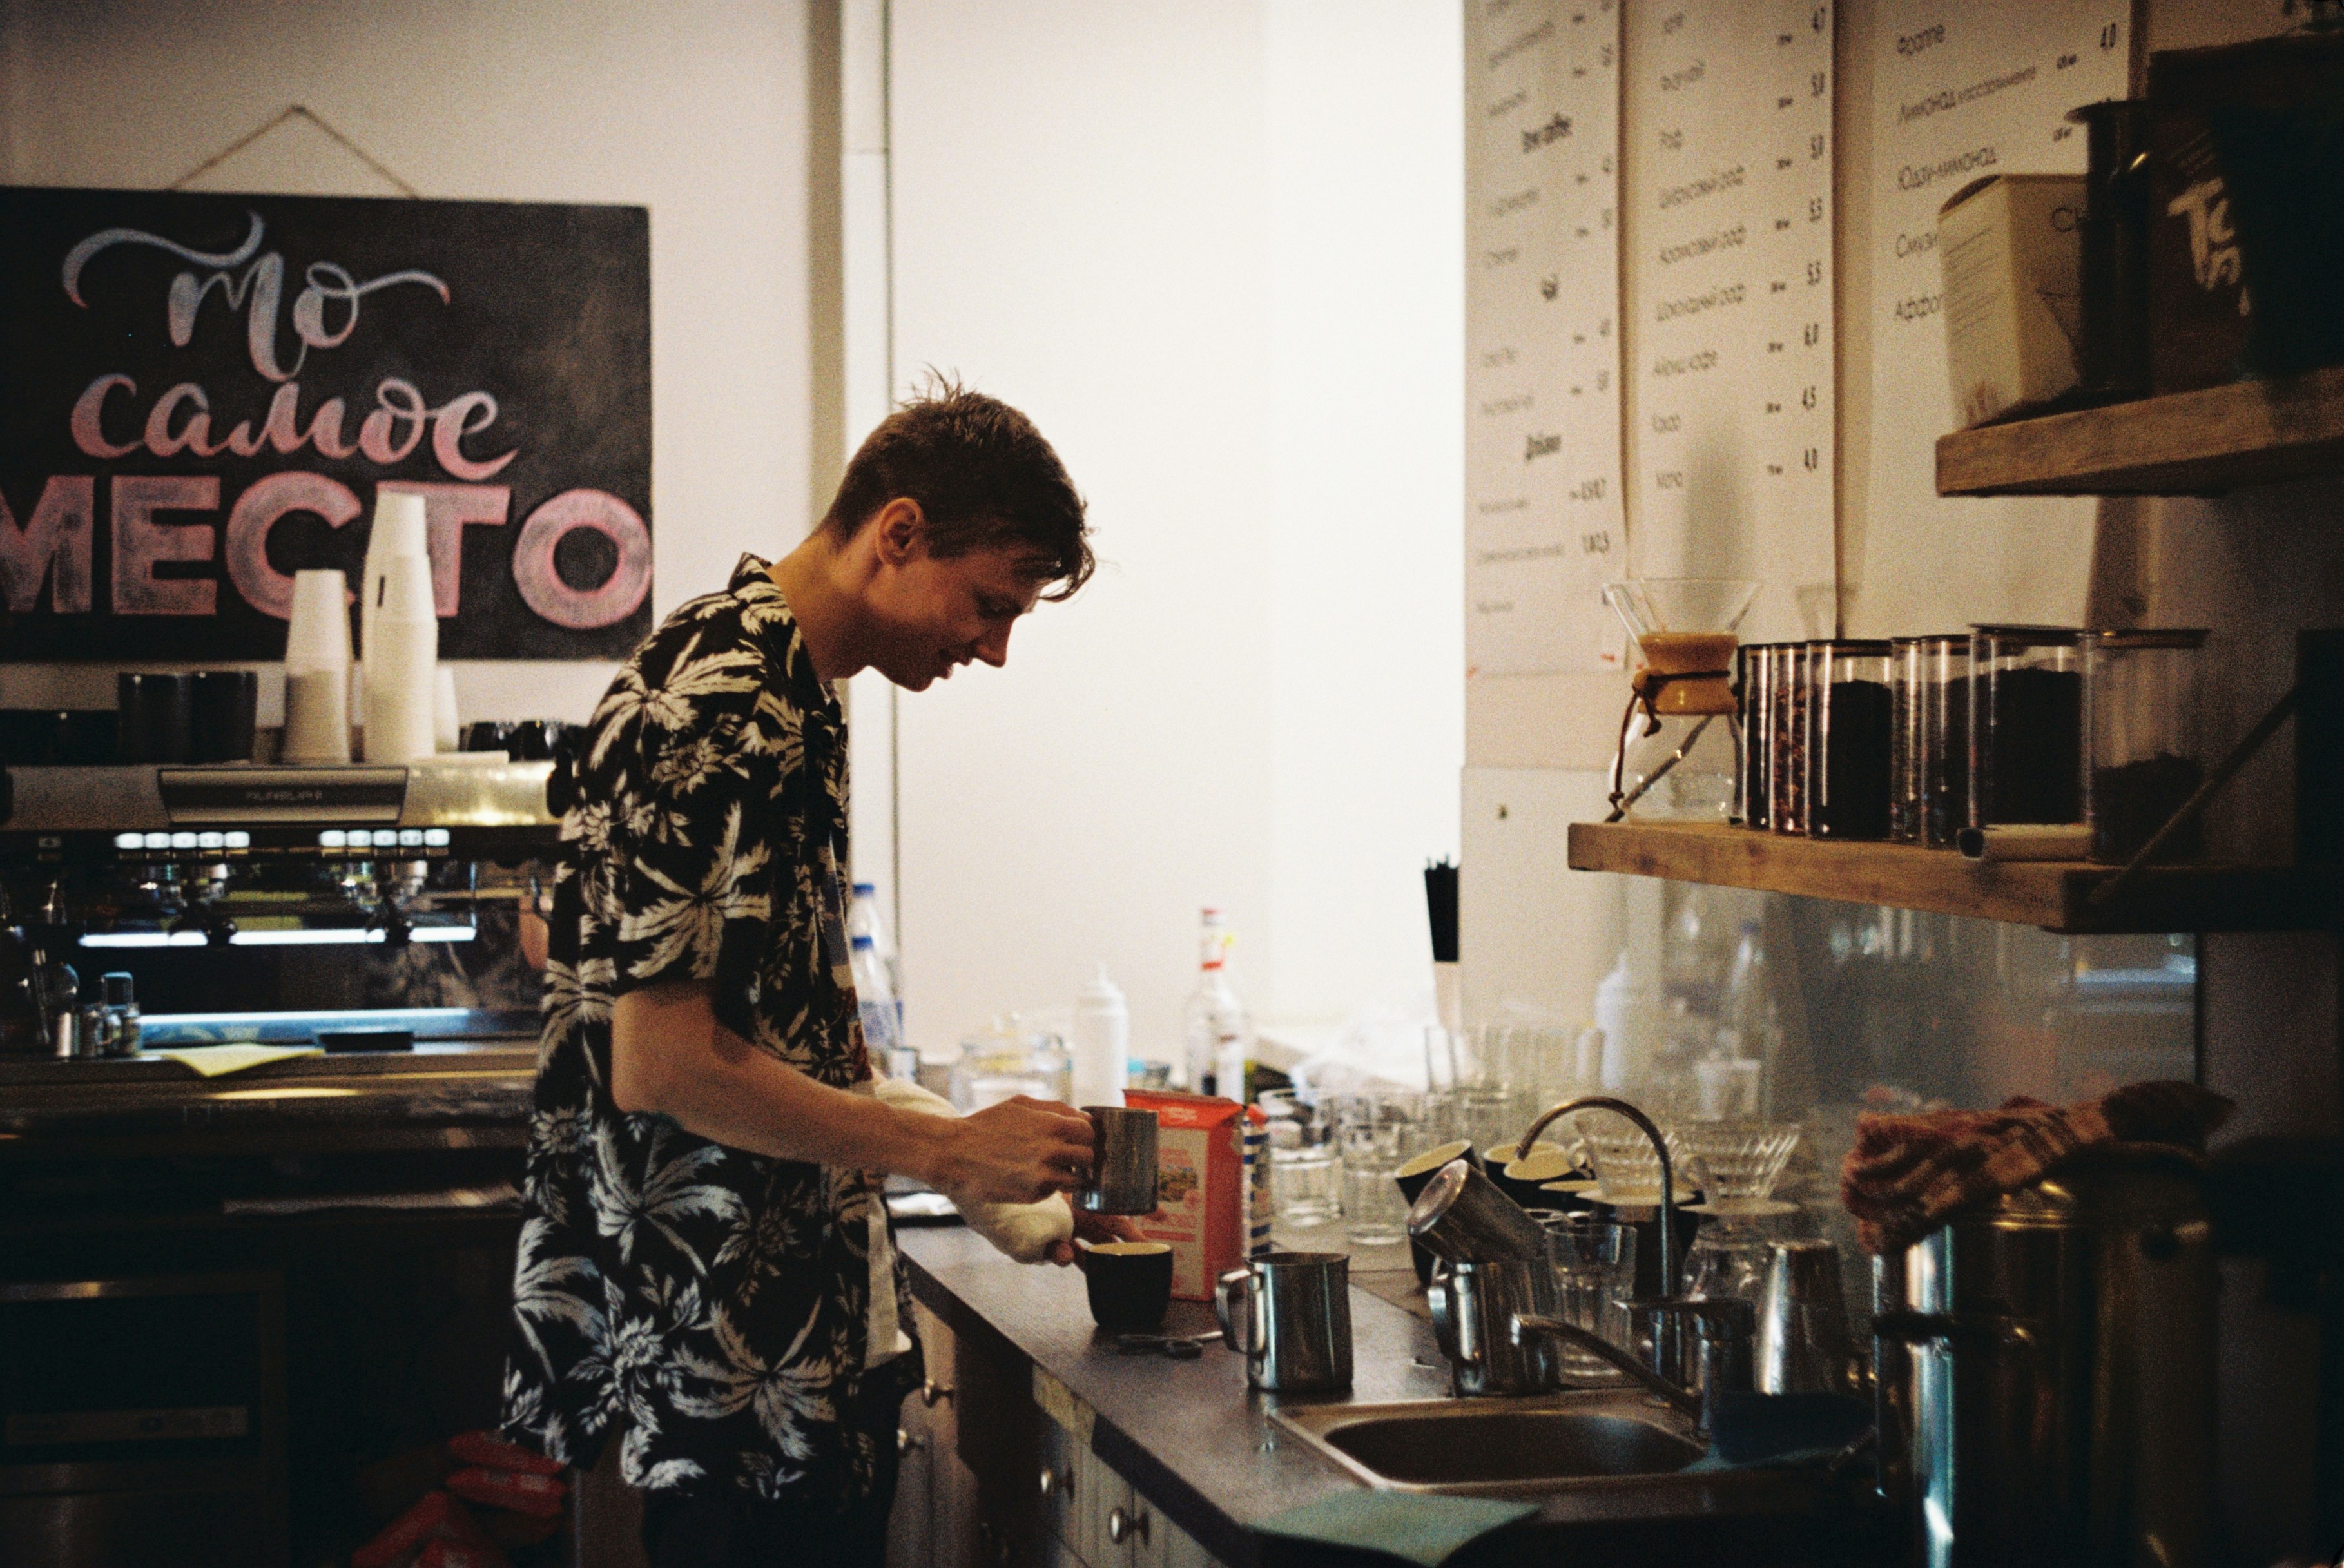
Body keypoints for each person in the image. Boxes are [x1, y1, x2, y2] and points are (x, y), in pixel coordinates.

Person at [501, 383, 1127, 1566]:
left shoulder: (795, 689)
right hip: (729, 1375)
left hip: (784, 1344)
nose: (991, 649)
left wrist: (993, 1182)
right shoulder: (721, 703)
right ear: (896, 534)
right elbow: (665, 1063)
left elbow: (775, 1024)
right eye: (988, 605)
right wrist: (947, 1153)